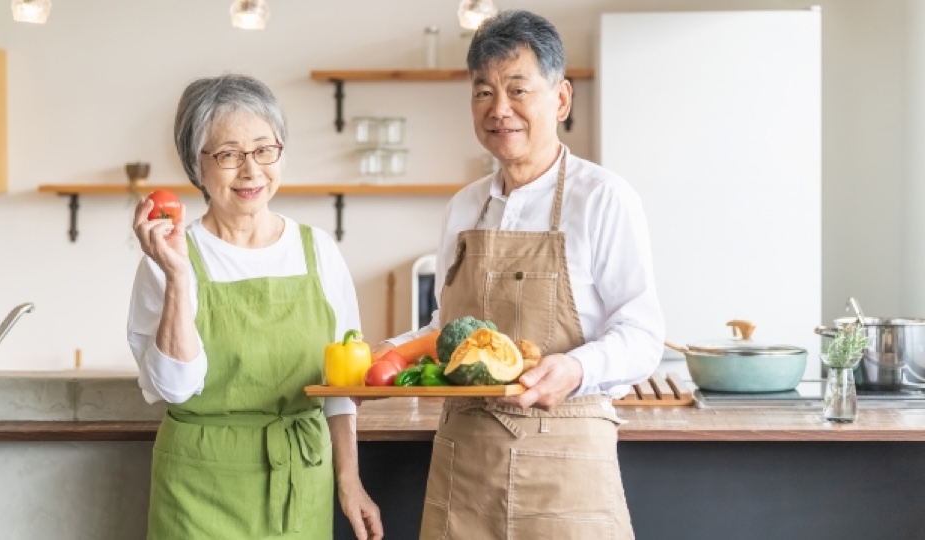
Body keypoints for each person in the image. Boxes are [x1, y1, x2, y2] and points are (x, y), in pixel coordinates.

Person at [373, 10, 664, 540]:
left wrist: (573, 369)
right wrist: (386, 353)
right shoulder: (463, 208)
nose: (498, 109)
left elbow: (643, 336)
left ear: (560, 99)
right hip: (465, 470)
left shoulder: (603, 198)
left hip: (566, 467)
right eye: (483, 92)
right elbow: (447, 330)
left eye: (517, 89)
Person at [126, 74, 383, 540]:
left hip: (300, 480)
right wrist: (180, 277)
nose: (251, 170)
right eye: (228, 154)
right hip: (197, 490)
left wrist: (349, 480)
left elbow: (341, 385)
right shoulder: (168, 258)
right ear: (195, 164)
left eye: (265, 150)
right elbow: (176, 388)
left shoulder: (318, 250)